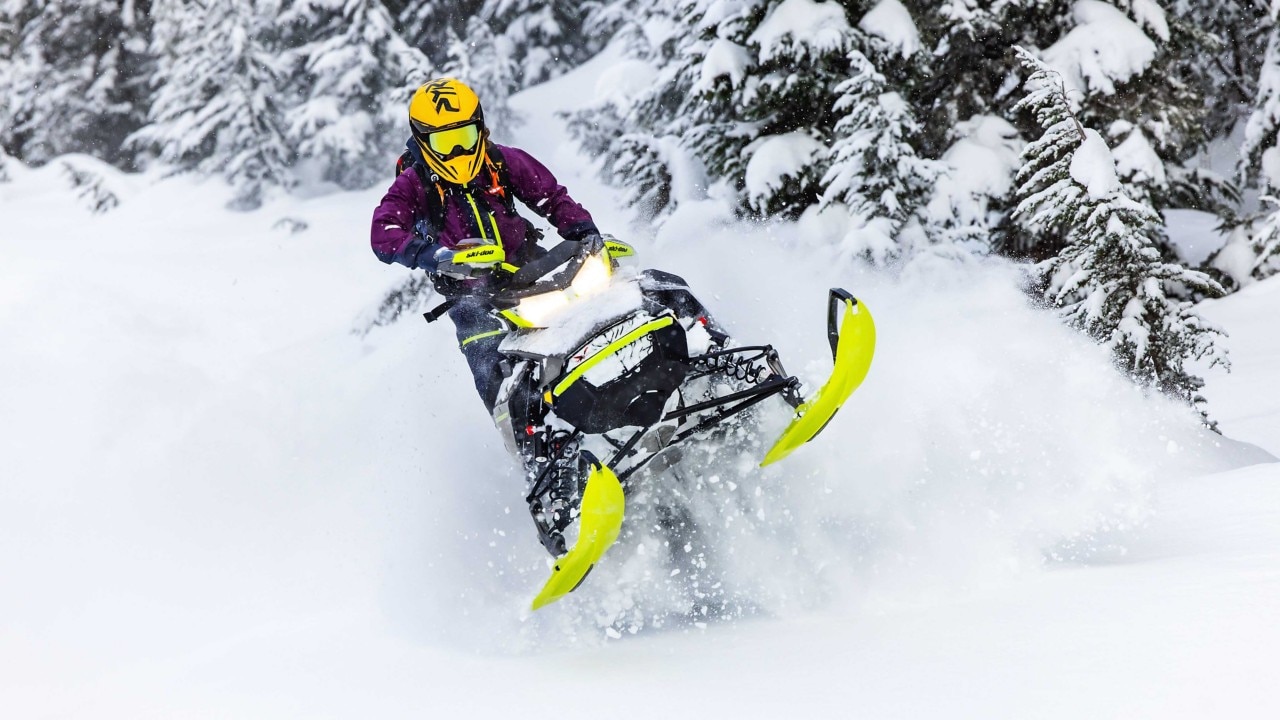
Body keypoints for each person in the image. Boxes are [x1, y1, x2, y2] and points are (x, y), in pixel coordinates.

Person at [370, 78, 603, 411]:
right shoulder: (414, 184)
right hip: (470, 297)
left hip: (531, 269)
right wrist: (436, 257)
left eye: (464, 138)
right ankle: (531, 437)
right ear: (423, 142)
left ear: (479, 128)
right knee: (494, 373)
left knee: (594, 311)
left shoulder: (500, 161)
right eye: (444, 143)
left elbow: (551, 197)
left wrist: (583, 230)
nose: (458, 152)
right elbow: (383, 232)